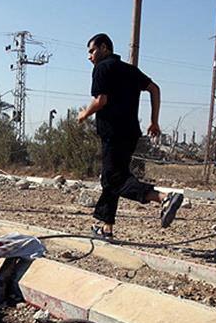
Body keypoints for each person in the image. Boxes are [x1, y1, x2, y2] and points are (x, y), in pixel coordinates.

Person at [77, 33, 184, 239]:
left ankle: (163, 198)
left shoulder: (102, 68)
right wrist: (154, 121)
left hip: (112, 133)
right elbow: (154, 89)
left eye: (92, 51)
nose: (89, 56)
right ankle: (106, 228)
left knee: (114, 180)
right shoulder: (129, 70)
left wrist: (84, 114)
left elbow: (101, 100)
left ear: (104, 48)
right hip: (131, 133)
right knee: (112, 177)